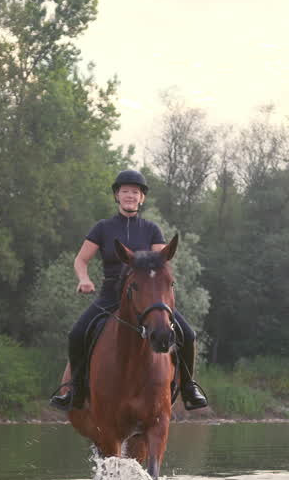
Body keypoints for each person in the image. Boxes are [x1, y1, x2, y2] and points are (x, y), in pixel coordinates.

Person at [50, 169, 208, 412]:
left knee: (188, 334)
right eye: (125, 191)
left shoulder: (152, 229)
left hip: (146, 297)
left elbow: (162, 260)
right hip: (110, 295)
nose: (130, 195)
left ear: (142, 198)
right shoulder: (102, 228)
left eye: (135, 192)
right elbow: (81, 260)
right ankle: (75, 389)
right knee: (76, 334)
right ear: (117, 196)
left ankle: (188, 387)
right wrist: (83, 279)